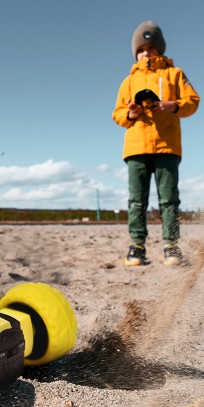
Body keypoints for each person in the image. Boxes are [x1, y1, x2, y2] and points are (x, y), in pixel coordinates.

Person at [112, 20, 199, 266]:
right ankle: (137, 247)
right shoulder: (128, 81)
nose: (146, 53)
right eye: (141, 49)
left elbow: (193, 101)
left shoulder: (175, 74)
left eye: (151, 48)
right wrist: (130, 113)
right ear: (135, 52)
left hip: (167, 147)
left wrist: (174, 106)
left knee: (169, 199)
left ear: (160, 49)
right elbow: (117, 113)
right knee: (136, 200)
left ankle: (171, 247)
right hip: (136, 148)